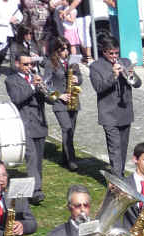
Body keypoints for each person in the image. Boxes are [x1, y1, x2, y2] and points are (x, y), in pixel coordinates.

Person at [6, 50, 53, 205]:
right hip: (24, 124)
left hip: (39, 123)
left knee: (38, 159)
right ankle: (35, 191)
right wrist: (32, 86)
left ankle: (36, 187)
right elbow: (17, 98)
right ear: (17, 64)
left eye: (31, 64)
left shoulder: (36, 77)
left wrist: (45, 88)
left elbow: (51, 99)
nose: (29, 67)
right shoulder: (11, 80)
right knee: (31, 157)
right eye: (25, 64)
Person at [90, 36, 141, 177]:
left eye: (116, 53)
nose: (114, 56)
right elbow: (98, 87)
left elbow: (138, 84)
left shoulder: (125, 62)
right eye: (111, 53)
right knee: (115, 148)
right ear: (104, 52)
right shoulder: (95, 67)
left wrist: (132, 75)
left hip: (125, 111)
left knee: (123, 148)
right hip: (108, 113)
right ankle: (117, 180)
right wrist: (113, 75)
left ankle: (119, 175)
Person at [45, 37, 83, 171]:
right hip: (59, 103)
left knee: (71, 131)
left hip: (73, 99)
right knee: (66, 128)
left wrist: (77, 79)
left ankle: (64, 158)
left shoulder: (72, 62)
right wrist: (59, 95)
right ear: (56, 50)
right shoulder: (50, 64)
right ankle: (72, 160)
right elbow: (45, 85)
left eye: (67, 49)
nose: (66, 52)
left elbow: (81, 78)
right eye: (63, 49)